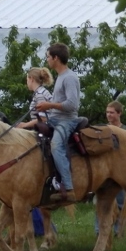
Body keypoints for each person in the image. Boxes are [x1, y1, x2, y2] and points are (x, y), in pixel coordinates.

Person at [36, 43, 81, 203]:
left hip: (67, 120)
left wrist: (49, 105)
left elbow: (72, 105)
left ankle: (69, 189)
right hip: (55, 119)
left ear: (56, 58)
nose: (47, 60)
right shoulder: (61, 77)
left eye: (48, 56)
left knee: (56, 146)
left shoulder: (69, 77)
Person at [94, 100, 126, 235]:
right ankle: (99, 231)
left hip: (121, 171)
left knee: (121, 202)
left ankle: (119, 231)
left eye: (112, 112)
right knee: (100, 202)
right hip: (104, 172)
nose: (109, 115)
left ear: (119, 113)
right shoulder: (103, 130)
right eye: (107, 112)